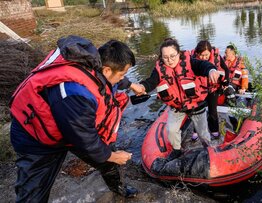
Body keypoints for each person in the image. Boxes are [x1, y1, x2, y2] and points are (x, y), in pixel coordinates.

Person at [9, 35, 142, 202]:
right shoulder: (77, 94)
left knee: (107, 160)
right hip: (36, 136)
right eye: (123, 74)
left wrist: (130, 84)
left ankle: (119, 188)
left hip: (71, 124)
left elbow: (113, 80)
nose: (123, 77)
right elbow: (85, 139)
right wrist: (113, 156)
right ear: (107, 70)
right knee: (33, 192)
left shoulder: (97, 65)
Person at [131, 38, 221, 161]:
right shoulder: (159, 69)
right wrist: (142, 87)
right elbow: (151, 82)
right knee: (171, 130)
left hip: (195, 104)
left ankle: (208, 149)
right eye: (165, 57)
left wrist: (211, 70)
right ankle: (177, 150)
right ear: (161, 57)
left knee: (203, 133)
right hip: (177, 107)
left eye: (173, 56)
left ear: (179, 54)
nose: (169, 60)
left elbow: (203, 65)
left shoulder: (191, 62)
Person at [191, 40, 230, 141]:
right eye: (201, 55)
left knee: (213, 110)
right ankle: (196, 130)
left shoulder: (217, 57)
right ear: (197, 53)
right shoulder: (193, 60)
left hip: (213, 88)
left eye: (206, 55)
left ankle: (214, 129)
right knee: (197, 111)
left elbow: (226, 69)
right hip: (199, 90)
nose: (204, 58)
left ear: (210, 52)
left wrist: (226, 82)